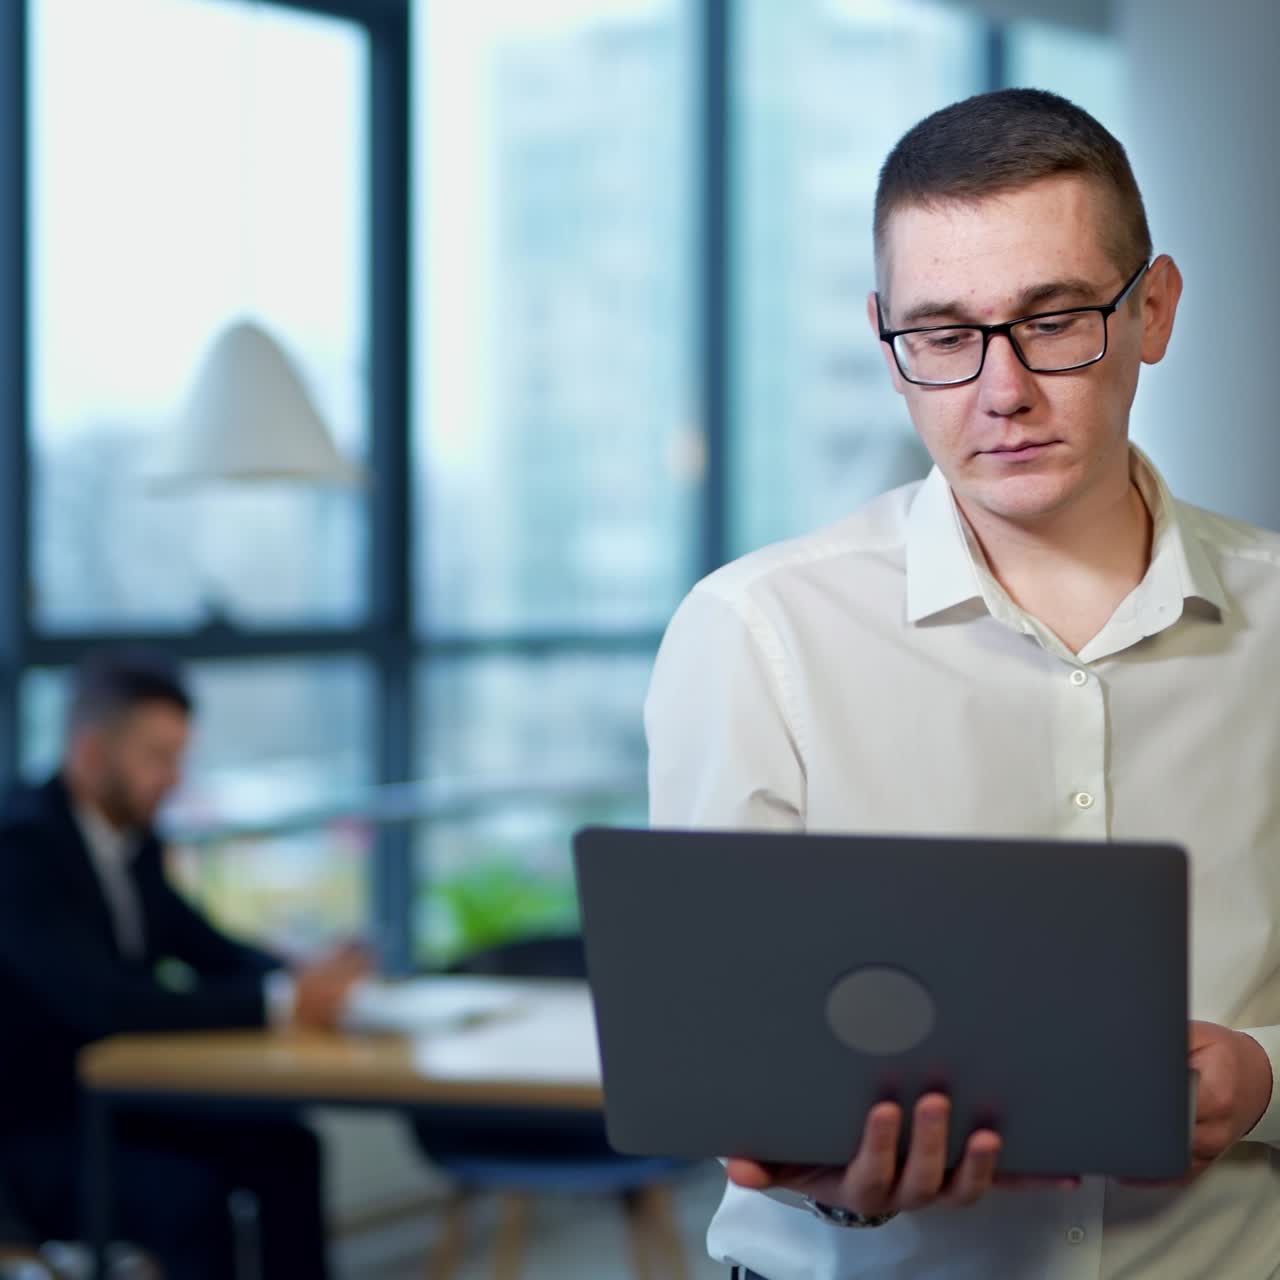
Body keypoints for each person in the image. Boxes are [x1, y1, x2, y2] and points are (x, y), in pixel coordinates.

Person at [645, 87, 1280, 1280]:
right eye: (941, 335)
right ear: (887, 340)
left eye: (1051, 321)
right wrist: (823, 1177)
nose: (1000, 391)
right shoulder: (756, 629)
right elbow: (724, 1057)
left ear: (1152, 309)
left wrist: (1264, 1077)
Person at [0, 648, 370, 1280]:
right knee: (189, 1198)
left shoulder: (130, 838)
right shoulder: (21, 846)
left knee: (287, 1146)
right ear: (90, 752)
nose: (173, 777)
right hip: (39, 1136)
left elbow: (208, 948)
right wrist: (279, 1002)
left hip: (124, 1103)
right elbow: (107, 1003)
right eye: (157, 758)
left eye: (178, 758)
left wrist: (300, 974)